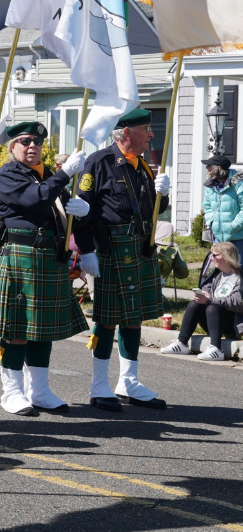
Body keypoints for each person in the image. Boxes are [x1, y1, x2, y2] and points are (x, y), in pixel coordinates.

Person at [0, 122, 89, 416]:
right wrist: (65, 175)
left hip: (48, 255)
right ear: (12, 147)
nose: (32, 146)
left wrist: (82, 210)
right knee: (17, 329)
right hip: (19, 254)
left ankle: (38, 390)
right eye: (25, 141)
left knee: (42, 330)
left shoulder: (49, 175)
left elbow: (62, 208)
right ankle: (11, 391)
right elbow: (34, 199)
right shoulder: (8, 174)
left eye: (37, 142)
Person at [73, 108, 170, 412]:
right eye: (146, 128)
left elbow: (148, 209)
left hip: (139, 247)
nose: (152, 134)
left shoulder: (142, 164)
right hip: (111, 249)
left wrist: (162, 196)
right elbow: (81, 211)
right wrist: (86, 251)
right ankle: (99, 385)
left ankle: (128, 381)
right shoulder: (99, 163)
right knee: (106, 318)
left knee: (134, 316)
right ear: (126, 133)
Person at [161, 241, 243, 361]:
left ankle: (217, 349)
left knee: (212, 307)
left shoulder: (239, 276)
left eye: (215, 255)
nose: (212, 258)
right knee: (194, 304)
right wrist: (201, 296)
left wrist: (210, 300)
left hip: (231, 324)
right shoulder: (216, 275)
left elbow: (238, 302)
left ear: (226, 258)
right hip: (213, 320)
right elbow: (206, 292)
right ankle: (181, 343)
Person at [200, 154, 243, 256]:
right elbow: (207, 206)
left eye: (209, 166)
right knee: (220, 267)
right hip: (218, 238)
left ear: (218, 168)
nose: (206, 168)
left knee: (237, 268)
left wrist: (232, 227)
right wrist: (211, 223)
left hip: (237, 237)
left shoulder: (238, 184)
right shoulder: (210, 186)